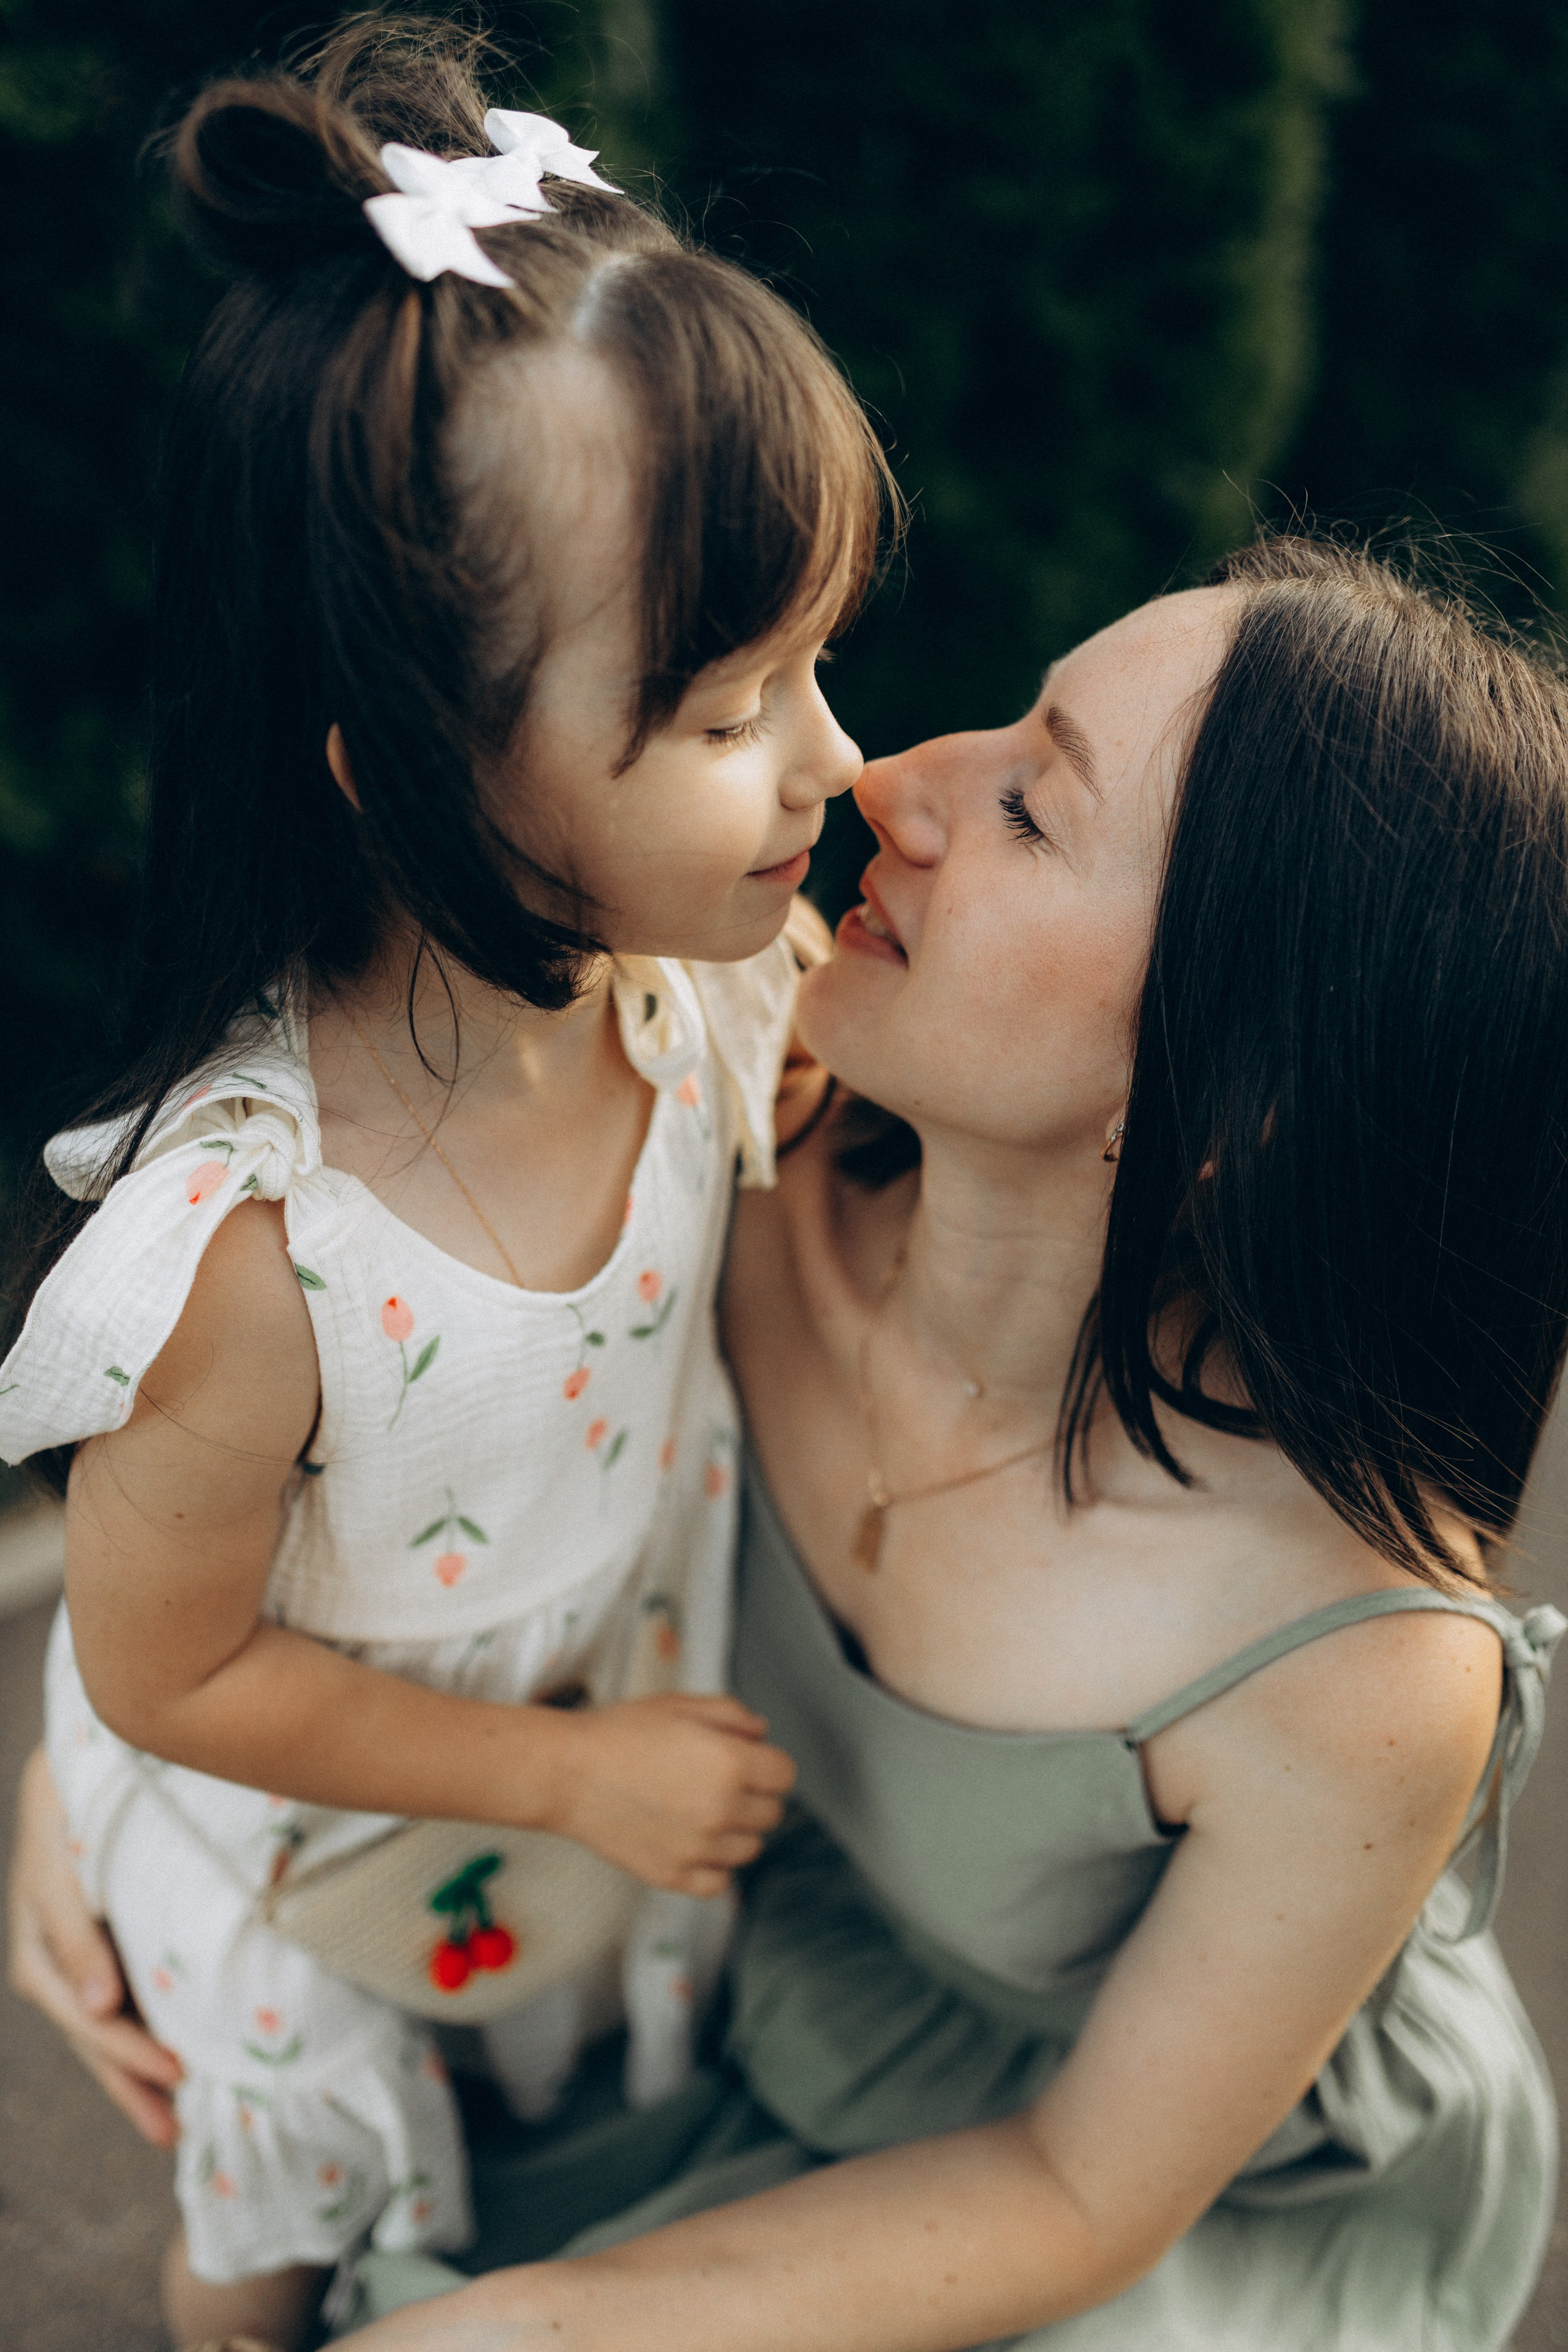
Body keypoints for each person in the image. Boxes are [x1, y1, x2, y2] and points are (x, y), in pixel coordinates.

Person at [10, 574, 1567, 2348]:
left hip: (1116, 2196)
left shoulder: (1359, 1665)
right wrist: (110, 1787)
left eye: (1032, 805)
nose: (894, 777)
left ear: (1234, 1103)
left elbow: (1084, 2191)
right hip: (692, 1965)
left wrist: (546, 2330)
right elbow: (323, 1500)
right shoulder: (710, 1145)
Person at [0, 18, 897, 2350]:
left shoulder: (700, 972)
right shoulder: (248, 1256)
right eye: (725, 711)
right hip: (320, 1822)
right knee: (288, 2216)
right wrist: (571, 1778)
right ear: (404, 779)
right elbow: (165, 1659)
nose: (836, 756)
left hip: (595, 1733)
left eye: (818, 662)